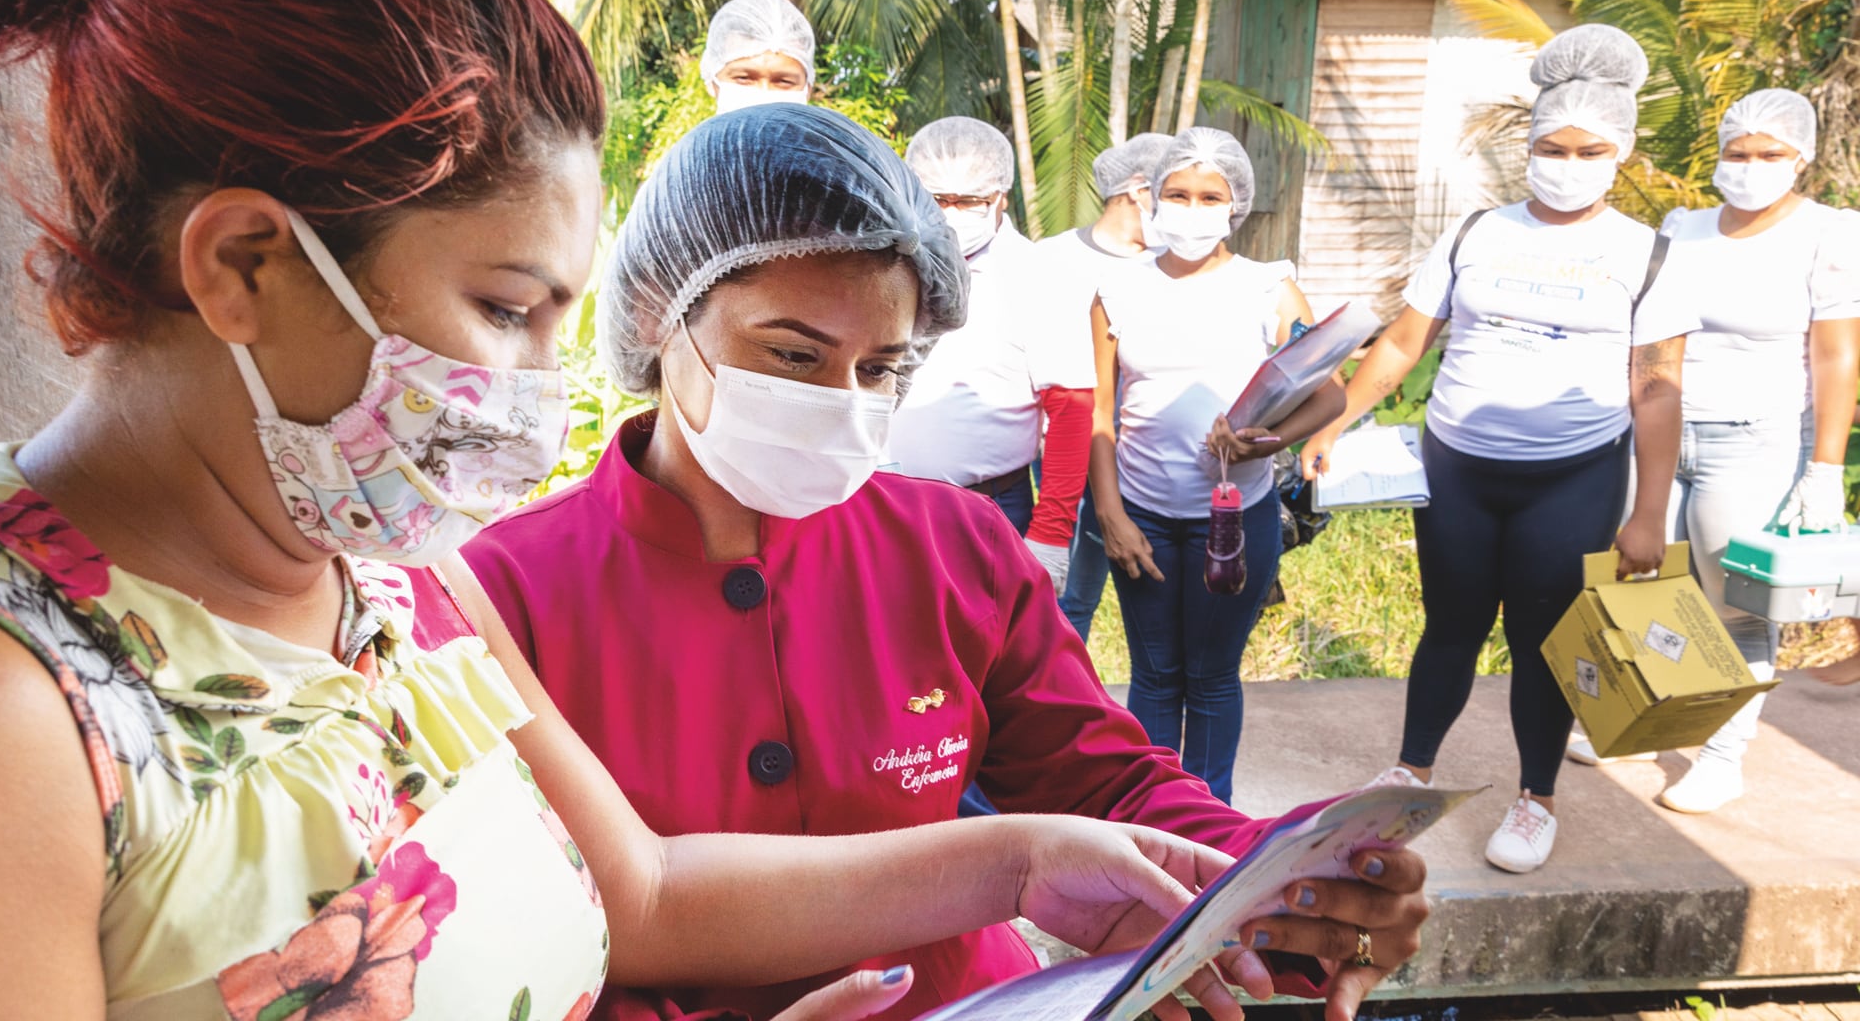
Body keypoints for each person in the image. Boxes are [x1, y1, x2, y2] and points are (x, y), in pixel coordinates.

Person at [0, 0, 1301, 1019]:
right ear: (243, 263)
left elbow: (651, 893)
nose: (543, 389)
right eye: (504, 309)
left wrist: (1032, 857)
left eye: (560, 318)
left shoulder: (394, 585)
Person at [458, 104, 1432, 1021]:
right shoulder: (505, 596)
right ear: (652, 317)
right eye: (795, 356)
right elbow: (532, 923)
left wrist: (1279, 874)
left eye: (879, 368)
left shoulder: (951, 545)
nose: (843, 400)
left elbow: (1099, 780)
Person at [1301, 24, 1698, 874]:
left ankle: (1535, 798)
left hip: (1574, 476)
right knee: (1449, 626)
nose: (1566, 161)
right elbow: (1406, 344)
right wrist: (1336, 418)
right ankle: (1408, 772)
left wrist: (1649, 513)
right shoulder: (1476, 233)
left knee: (1543, 639)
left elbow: (1657, 387)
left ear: (1620, 152)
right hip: (1459, 468)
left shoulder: (1649, 253)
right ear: (1529, 144)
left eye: (1589, 149)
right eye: (1551, 146)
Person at [1565, 88, 1860, 811]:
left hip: (1755, 439)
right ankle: (1627, 715)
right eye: (1737, 153)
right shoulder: (1683, 226)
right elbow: (1652, 335)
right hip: (1663, 432)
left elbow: (1836, 356)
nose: (1750, 166)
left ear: (1801, 157)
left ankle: (1722, 754)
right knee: (1639, 577)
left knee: (1735, 600)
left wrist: (1824, 469)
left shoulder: (1829, 232)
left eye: (1768, 155)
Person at [1088, 127, 1347, 804]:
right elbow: (1100, 412)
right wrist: (1110, 514)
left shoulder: (1270, 290)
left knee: (1208, 677)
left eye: (1211, 196)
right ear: (1152, 199)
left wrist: (1270, 441)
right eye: (1177, 193)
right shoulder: (1116, 290)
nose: (1192, 208)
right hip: (1141, 516)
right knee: (1153, 676)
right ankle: (1145, 818)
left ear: (1236, 205)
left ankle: (1206, 824)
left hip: (1233, 523)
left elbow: (1329, 392)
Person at [886, 117, 1092, 591]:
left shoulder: (1040, 277)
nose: (952, 212)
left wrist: (1052, 534)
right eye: (937, 199)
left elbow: (1071, 408)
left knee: (990, 656)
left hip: (989, 507)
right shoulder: (890, 262)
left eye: (971, 201)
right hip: (885, 499)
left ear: (1001, 196)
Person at [1038, 133, 1175, 641]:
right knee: (1061, 588)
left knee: (1114, 591)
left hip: (1140, 451)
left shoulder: (1169, 266)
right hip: (1062, 446)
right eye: (1169, 192)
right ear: (1138, 190)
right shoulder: (1052, 259)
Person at [702, 0, 815, 114]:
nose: (764, 95)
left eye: (784, 82)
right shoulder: (695, 134)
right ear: (711, 80)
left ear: (807, 88)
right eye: (743, 78)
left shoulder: (833, 132)